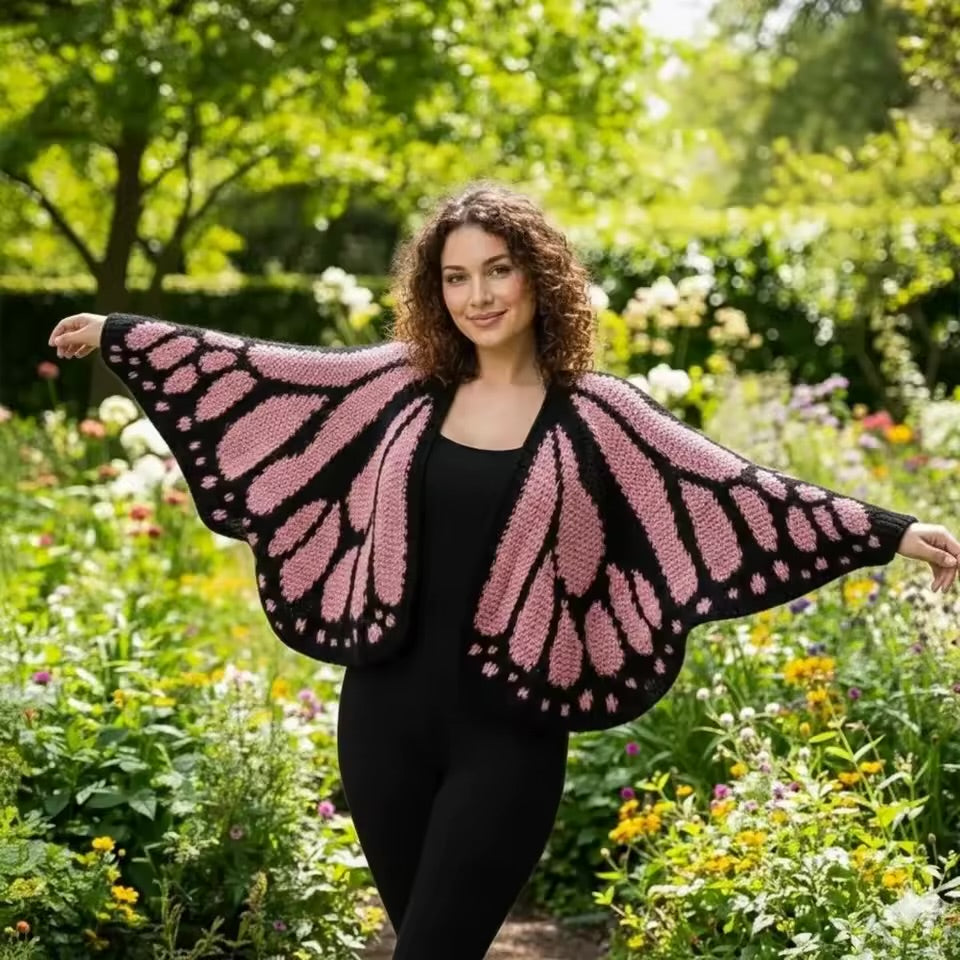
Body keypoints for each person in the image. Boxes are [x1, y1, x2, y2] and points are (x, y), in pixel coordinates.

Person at [48, 181, 959, 959]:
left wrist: (888, 532)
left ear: (538, 276)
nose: (477, 296)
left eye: (497, 270)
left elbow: (736, 491)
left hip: (511, 734)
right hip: (381, 722)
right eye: (455, 277)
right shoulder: (396, 387)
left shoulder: (602, 416)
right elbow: (264, 374)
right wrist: (126, 337)